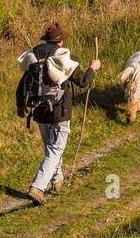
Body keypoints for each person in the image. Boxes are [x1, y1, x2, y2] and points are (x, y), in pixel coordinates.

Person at [16, 23, 101, 205]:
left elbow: (22, 84)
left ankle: (57, 181)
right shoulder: (65, 58)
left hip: (39, 112)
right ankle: (37, 187)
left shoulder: (33, 57)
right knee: (55, 150)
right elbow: (84, 82)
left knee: (51, 149)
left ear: (46, 40)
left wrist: (20, 107)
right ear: (60, 41)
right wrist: (93, 68)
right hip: (60, 113)